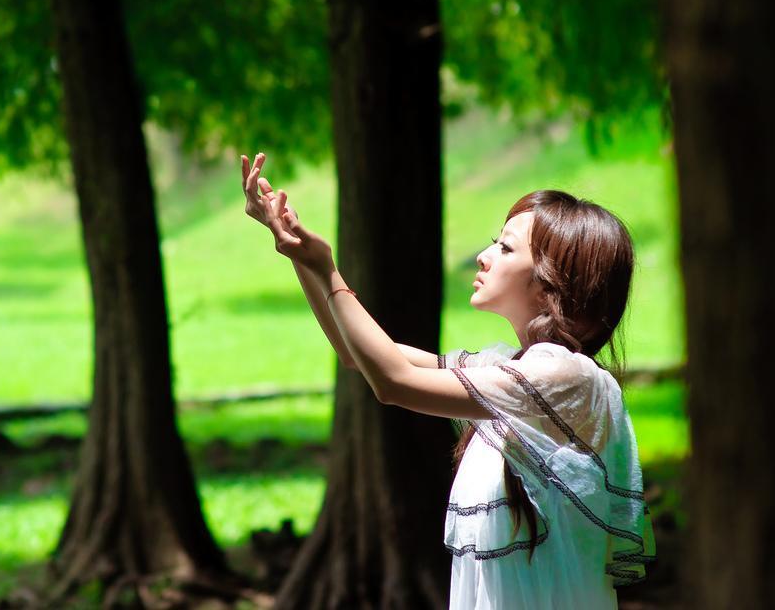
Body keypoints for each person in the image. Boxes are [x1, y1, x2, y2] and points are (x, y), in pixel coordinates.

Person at [240, 152, 657, 609]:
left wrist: (329, 270)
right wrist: (301, 257)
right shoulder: (507, 369)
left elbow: (393, 381)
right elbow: (358, 356)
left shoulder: (567, 377)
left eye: (505, 247)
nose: (483, 256)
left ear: (551, 282)